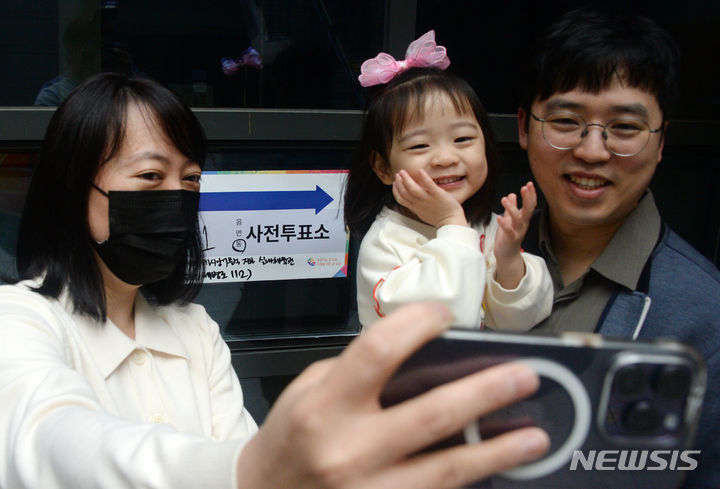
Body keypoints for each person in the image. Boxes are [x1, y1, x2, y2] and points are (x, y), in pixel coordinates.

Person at [0, 72, 550, 489]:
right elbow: (48, 438)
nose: (175, 197)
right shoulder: (20, 319)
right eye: (149, 177)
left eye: (190, 180)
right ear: (75, 190)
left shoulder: (195, 330)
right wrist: (255, 466)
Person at [517, 10, 720, 488]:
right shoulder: (471, 257)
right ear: (524, 127)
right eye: (566, 120)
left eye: (625, 128)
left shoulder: (706, 318)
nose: (592, 151)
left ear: (661, 141)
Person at [345, 31, 553, 330]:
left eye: (462, 138)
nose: (445, 158)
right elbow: (448, 322)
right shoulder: (385, 242)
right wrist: (452, 224)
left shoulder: (488, 227)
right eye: (419, 146)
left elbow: (521, 321)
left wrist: (508, 261)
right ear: (383, 168)